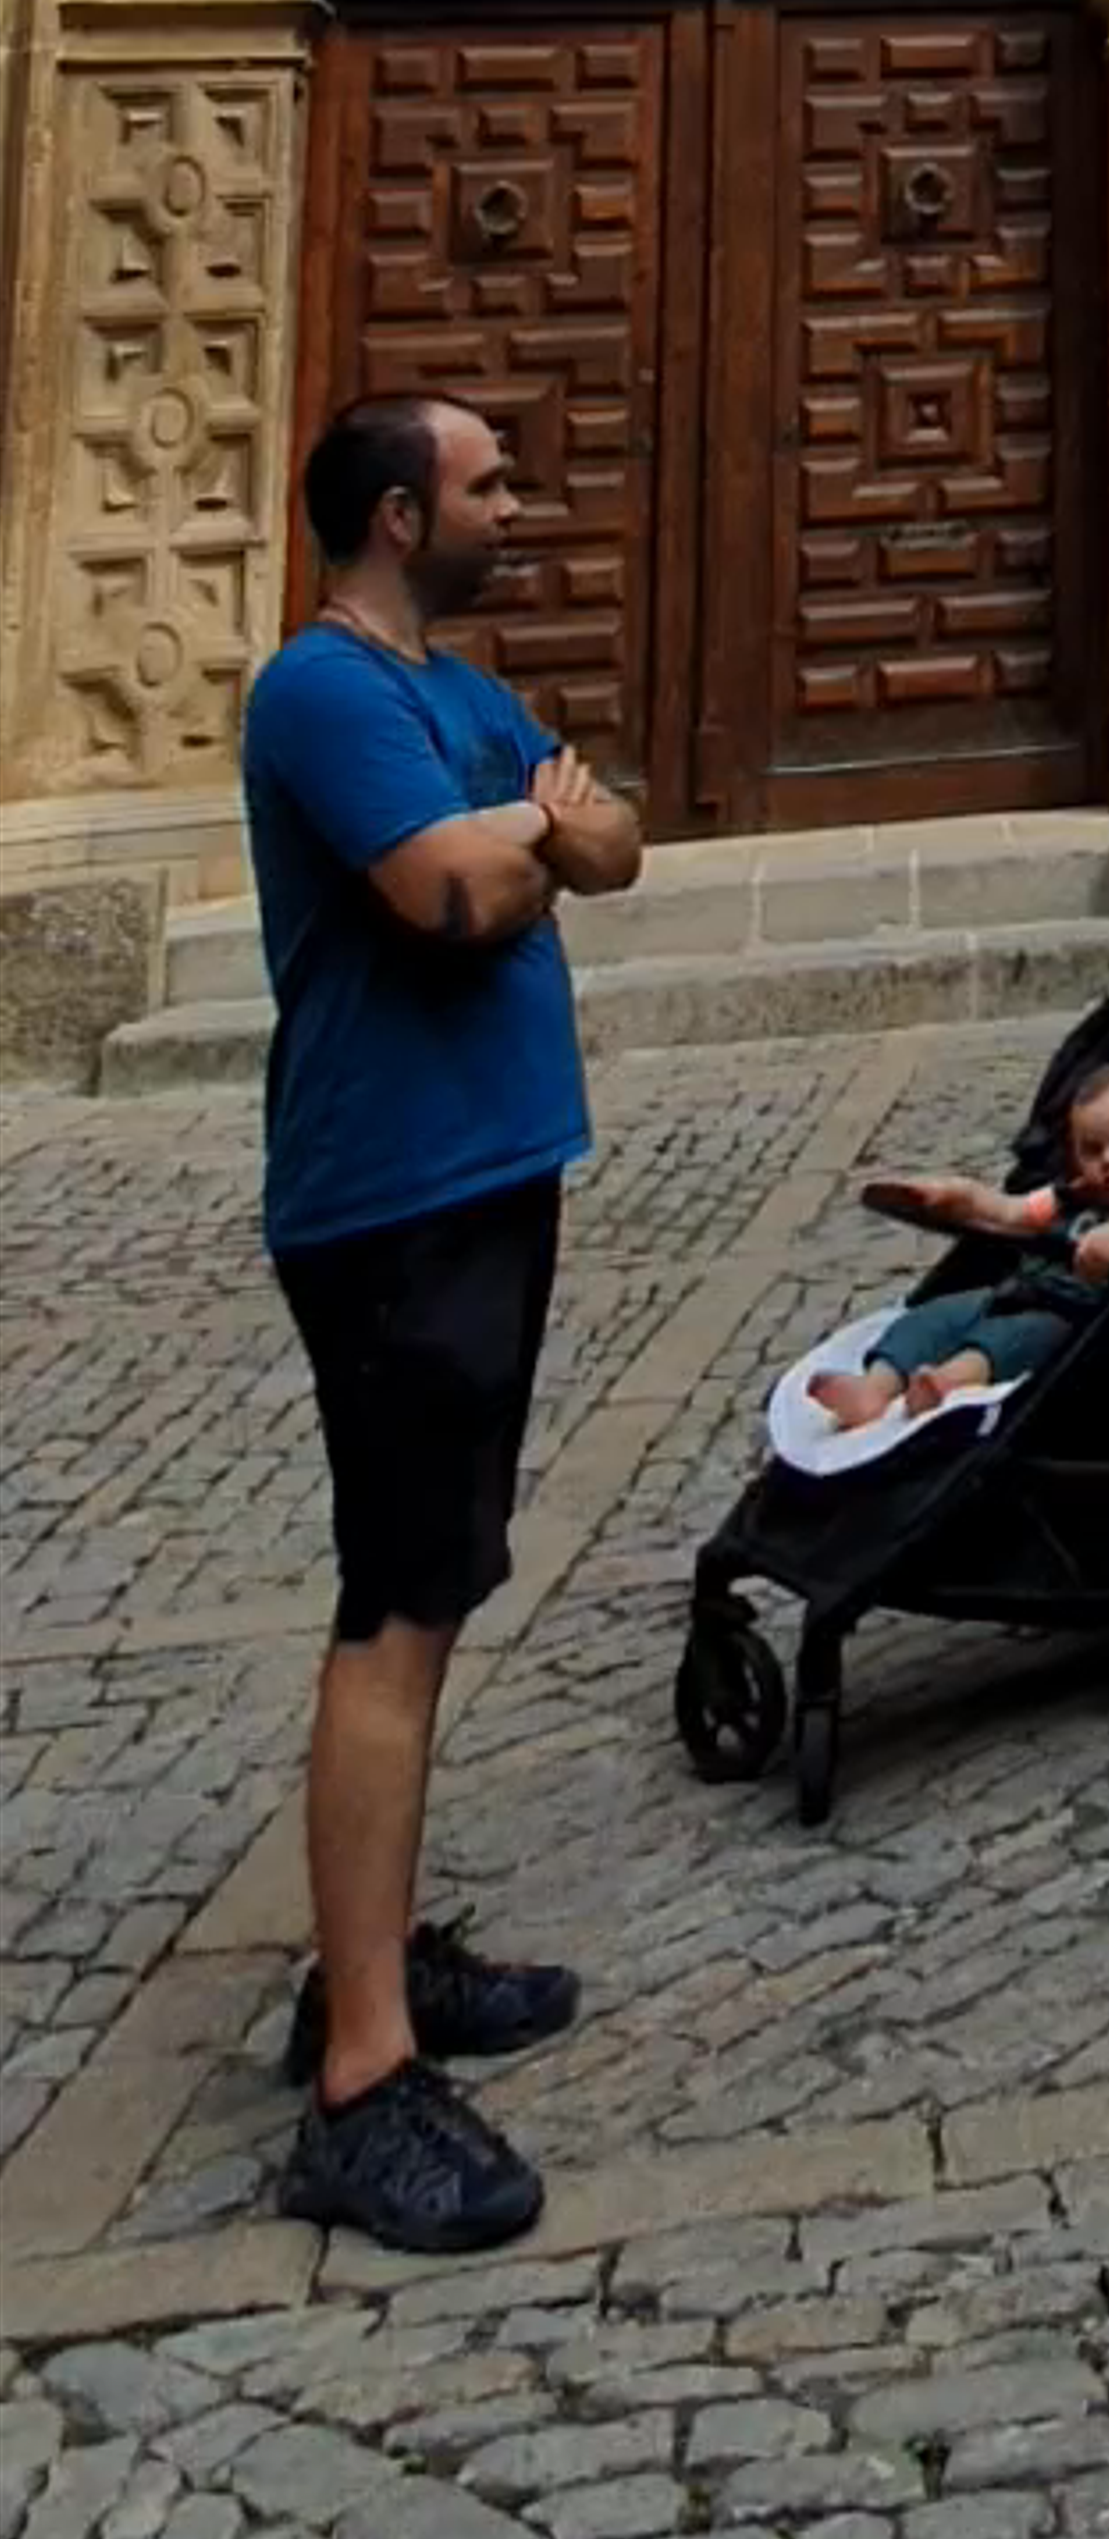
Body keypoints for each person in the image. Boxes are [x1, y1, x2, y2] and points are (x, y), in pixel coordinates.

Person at [244, 393, 644, 2256]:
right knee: (394, 1608)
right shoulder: (320, 693)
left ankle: (372, 1956)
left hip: (483, 1183)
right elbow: (453, 890)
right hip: (390, 1197)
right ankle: (360, 2075)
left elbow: (611, 835)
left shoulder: (460, 690)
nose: (517, 502)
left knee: (440, 1576)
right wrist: (523, 843)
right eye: (490, 482)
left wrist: (541, 836)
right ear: (402, 512)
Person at [807, 1053, 1109, 1423]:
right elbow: (1009, 1213)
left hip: (1068, 1317)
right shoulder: (1070, 1195)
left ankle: (945, 1384)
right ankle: (873, 1388)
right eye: (1092, 1149)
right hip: (1014, 1292)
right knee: (937, 1316)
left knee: (1007, 1340)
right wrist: (958, 1196)